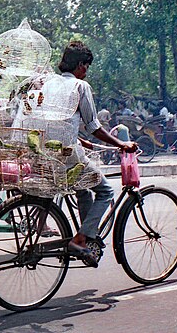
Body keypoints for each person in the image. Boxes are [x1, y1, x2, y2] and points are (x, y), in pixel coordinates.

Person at [55, 41, 137, 267]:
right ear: (81, 65)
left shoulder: (49, 83)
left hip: (44, 150)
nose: (86, 72)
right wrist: (122, 144)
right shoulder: (80, 87)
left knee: (83, 190)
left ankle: (87, 236)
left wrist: (80, 140)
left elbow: (56, 121)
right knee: (105, 191)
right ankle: (81, 239)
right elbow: (94, 126)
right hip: (67, 154)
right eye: (86, 67)